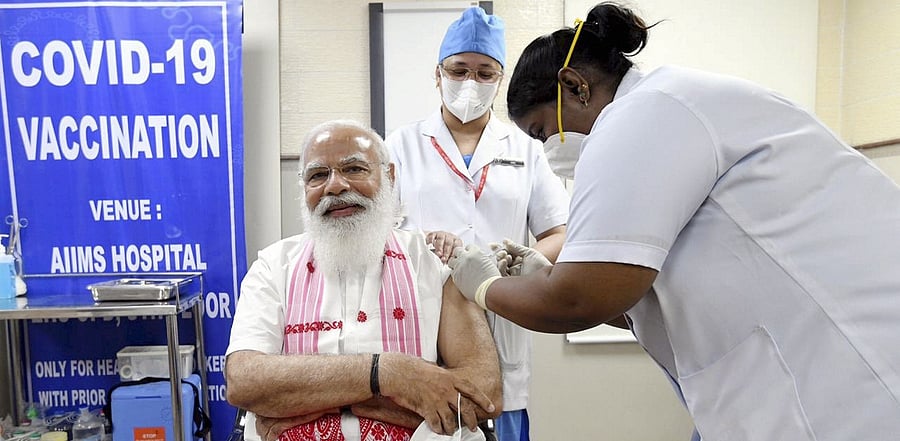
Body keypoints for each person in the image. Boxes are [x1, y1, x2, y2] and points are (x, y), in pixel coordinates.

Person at [446, 2, 900, 440]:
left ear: (575, 85)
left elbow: (578, 301)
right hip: (787, 376)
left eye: (545, 131)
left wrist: (485, 286)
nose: (550, 149)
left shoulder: (643, 116)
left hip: (846, 385)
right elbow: (638, 299)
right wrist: (543, 277)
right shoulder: (665, 108)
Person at [225, 120, 502, 441]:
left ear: (390, 177)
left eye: (354, 169)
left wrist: (307, 399)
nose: (335, 186)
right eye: (318, 175)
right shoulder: (274, 265)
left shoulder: (435, 261)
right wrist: (390, 374)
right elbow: (244, 381)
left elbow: (483, 391)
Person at [384, 7, 570, 441]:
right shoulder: (401, 145)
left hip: (501, 311)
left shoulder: (525, 147)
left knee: (497, 416)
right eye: (460, 70)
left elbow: (559, 231)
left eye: (485, 73)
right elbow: (376, 233)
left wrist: (515, 263)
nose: (471, 83)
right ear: (438, 74)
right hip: (423, 312)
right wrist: (420, 242)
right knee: (424, 416)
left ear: (500, 78)